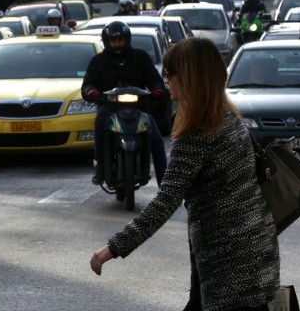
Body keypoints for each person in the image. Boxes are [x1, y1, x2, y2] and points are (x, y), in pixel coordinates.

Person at [89, 37, 280, 311]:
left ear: (188, 78)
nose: (166, 81)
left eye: (169, 74)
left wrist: (114, 247)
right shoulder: (229, 118)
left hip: (229, 265)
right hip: (255, 251)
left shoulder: (197, 133)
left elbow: (165, 201)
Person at [81, 21, 167, 186]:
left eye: (120, 40)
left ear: (127, 40)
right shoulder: (98, 61)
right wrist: (93, 93)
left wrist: (158, 90)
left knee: (156, 140)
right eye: (113, 41)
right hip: (110, 107)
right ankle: (100, 167)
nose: (117, 44)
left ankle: (165, 184)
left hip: (139, 107)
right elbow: (88, 84)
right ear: (107, 42)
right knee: (99, 122)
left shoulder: (140, 57)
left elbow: (154, 79)